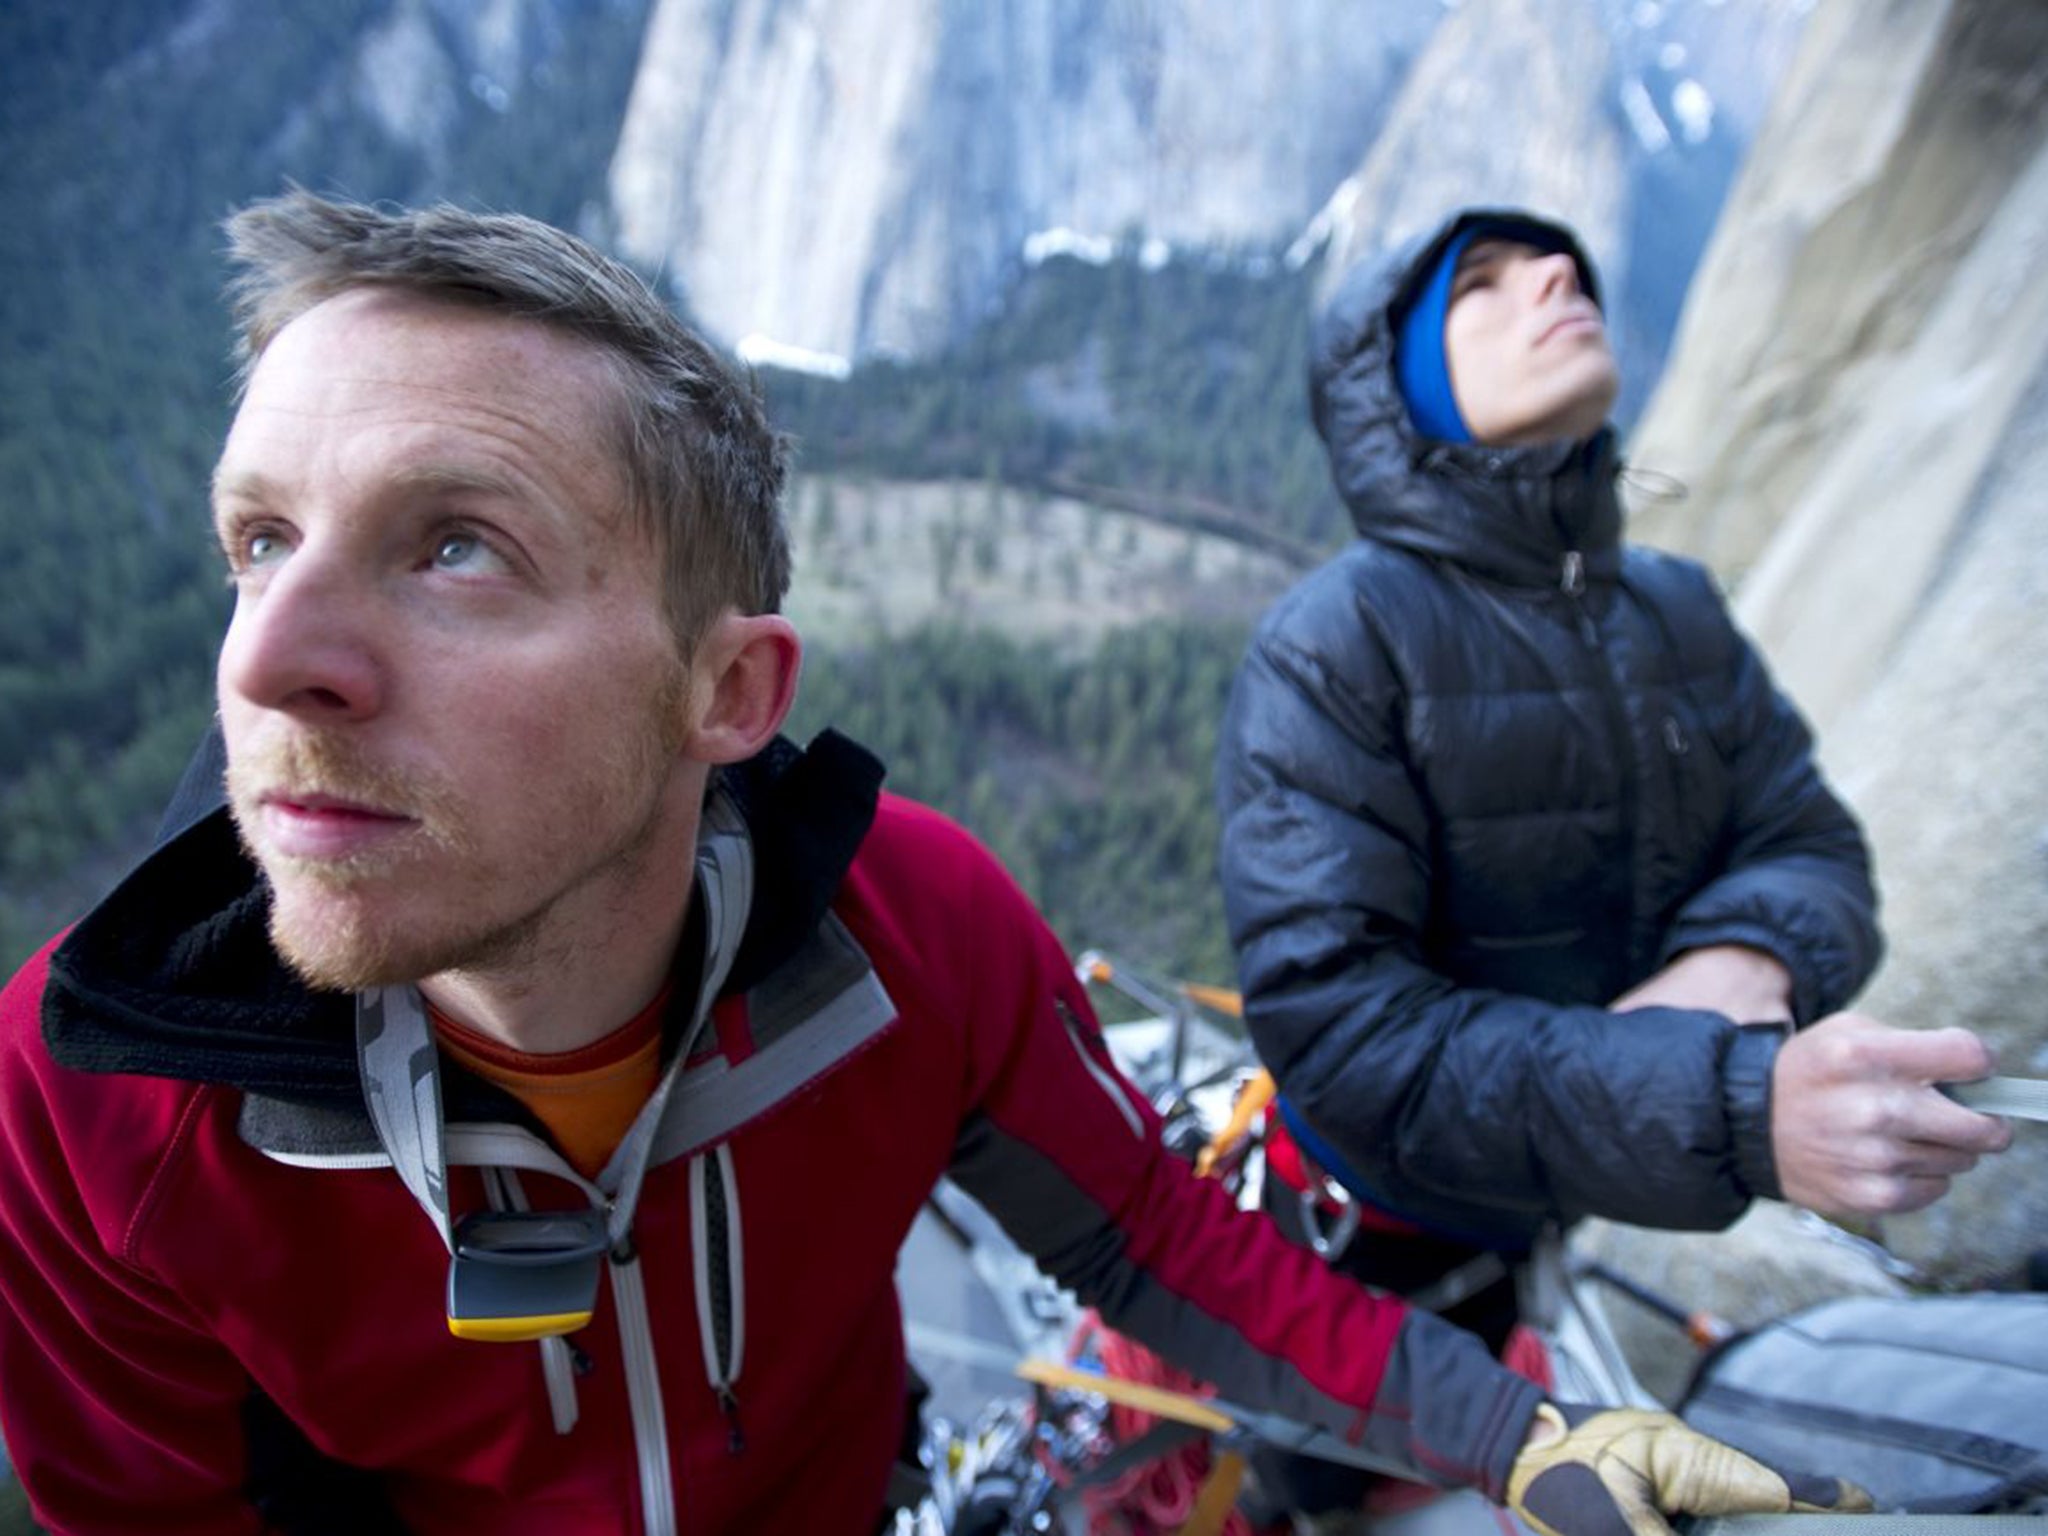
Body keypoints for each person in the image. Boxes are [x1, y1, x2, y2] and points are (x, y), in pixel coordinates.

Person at [0, 192, 1865, 1536]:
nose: (265, 659)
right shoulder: (87, 1103)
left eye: (455, 547)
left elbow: (1149, 1236)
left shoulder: (918, 928)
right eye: (259, 542)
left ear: (729, 691)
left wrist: (1519, 1439)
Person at [1215, 205, 2014, 1513]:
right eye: (1481, 283)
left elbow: (1809, 843)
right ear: (1402, 385)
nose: (1552, 274)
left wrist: (1742, 960)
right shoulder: (1336, 645)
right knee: (1324, 1475)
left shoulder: (1677, 612)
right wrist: (1729, 1108)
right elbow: (1347, 1036)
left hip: (1567, 1186)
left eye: (1557, 262)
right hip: (1362, 1238)